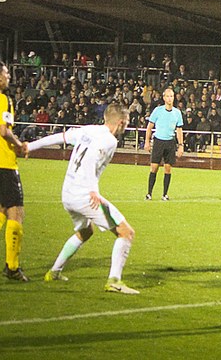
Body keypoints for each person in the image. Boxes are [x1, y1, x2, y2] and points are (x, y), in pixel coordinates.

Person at [26, 103, 139, 292]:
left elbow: (59, 137)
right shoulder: (110, 141)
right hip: (85, 195)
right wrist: (93, 190)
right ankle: (114, 281)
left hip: (68, 193)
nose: (127, 126)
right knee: (126, 232)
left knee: (86, 231)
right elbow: (91, 158)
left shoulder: (88, 130)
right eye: (127, 122)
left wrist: (30, 146)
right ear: (120, 122)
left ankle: (54, 271)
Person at [0, 61, 28, 280]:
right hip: (2, 161)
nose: (9, 77)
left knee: (2, 208)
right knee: (16, 212)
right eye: (7, 73)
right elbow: (4, 131)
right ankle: (12, 266)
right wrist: (19, 145)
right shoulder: (3, 100)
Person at [144, 87, 184, 201]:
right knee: (154, 168)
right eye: (168, 96)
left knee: (168, 168)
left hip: (170, 142)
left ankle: (165, 194)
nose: (170, 98)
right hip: (158, 141)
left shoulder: (177, 113)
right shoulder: (158, 110)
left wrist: (181, 145)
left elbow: (179, 130)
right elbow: (149, 127)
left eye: (171, 96)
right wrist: (147, 141)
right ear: (164, 98)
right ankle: (149, 193)